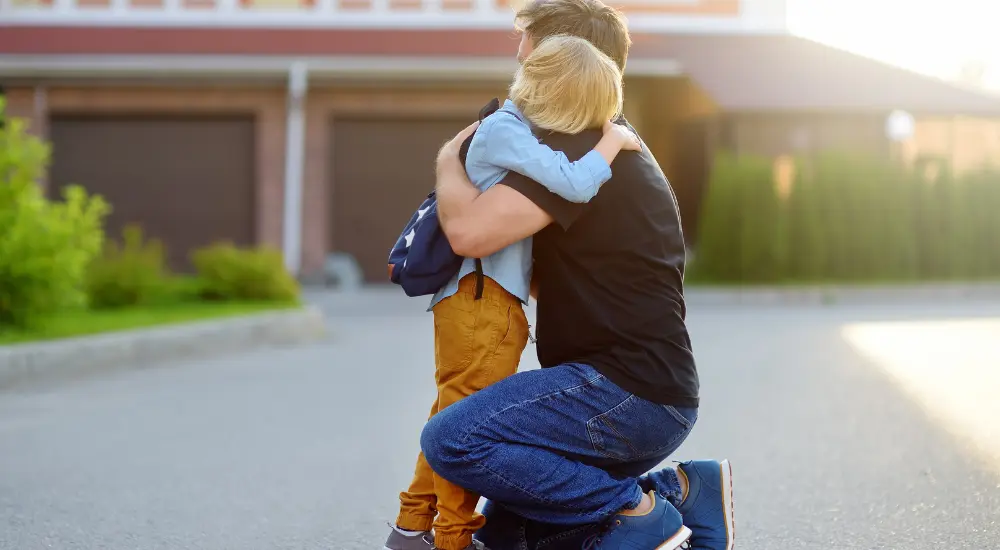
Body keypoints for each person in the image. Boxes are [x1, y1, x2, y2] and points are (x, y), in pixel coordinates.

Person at [418, 0, 735, 549]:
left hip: (622, 394)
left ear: (562, 55)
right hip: (640, 394)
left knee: (453, 441)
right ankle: (687, 492)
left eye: (528, 44)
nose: (518, 57)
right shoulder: (602, 141)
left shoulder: (576, 148)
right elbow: (558, 277)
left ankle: (638, 509)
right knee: (507, 531)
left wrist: (450, 157)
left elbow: (468, 233)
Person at [386, 34, 644, 550]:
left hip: (483, 299)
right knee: (462, 425)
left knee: (450, 412)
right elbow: (572, 182)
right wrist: (612, 143)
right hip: (482, 300)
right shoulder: (506, 131)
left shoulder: (507, 130)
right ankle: (452, 539)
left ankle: (411, 527)